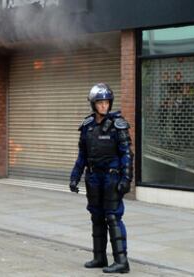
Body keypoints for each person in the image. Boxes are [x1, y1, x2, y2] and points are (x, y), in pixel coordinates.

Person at [69, 83, 133, 274]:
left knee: (113, 217)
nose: (104, 106)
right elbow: (82, 156)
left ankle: (122, 261)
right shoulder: (87, 126)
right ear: (93, 104)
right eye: (100, 102)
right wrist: (74, 177)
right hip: (93, 177)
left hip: (111, 178)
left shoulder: (118, 125)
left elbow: (127, 155)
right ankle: (99, 257)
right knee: (96, 217)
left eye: (106, 102)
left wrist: (126, 178)